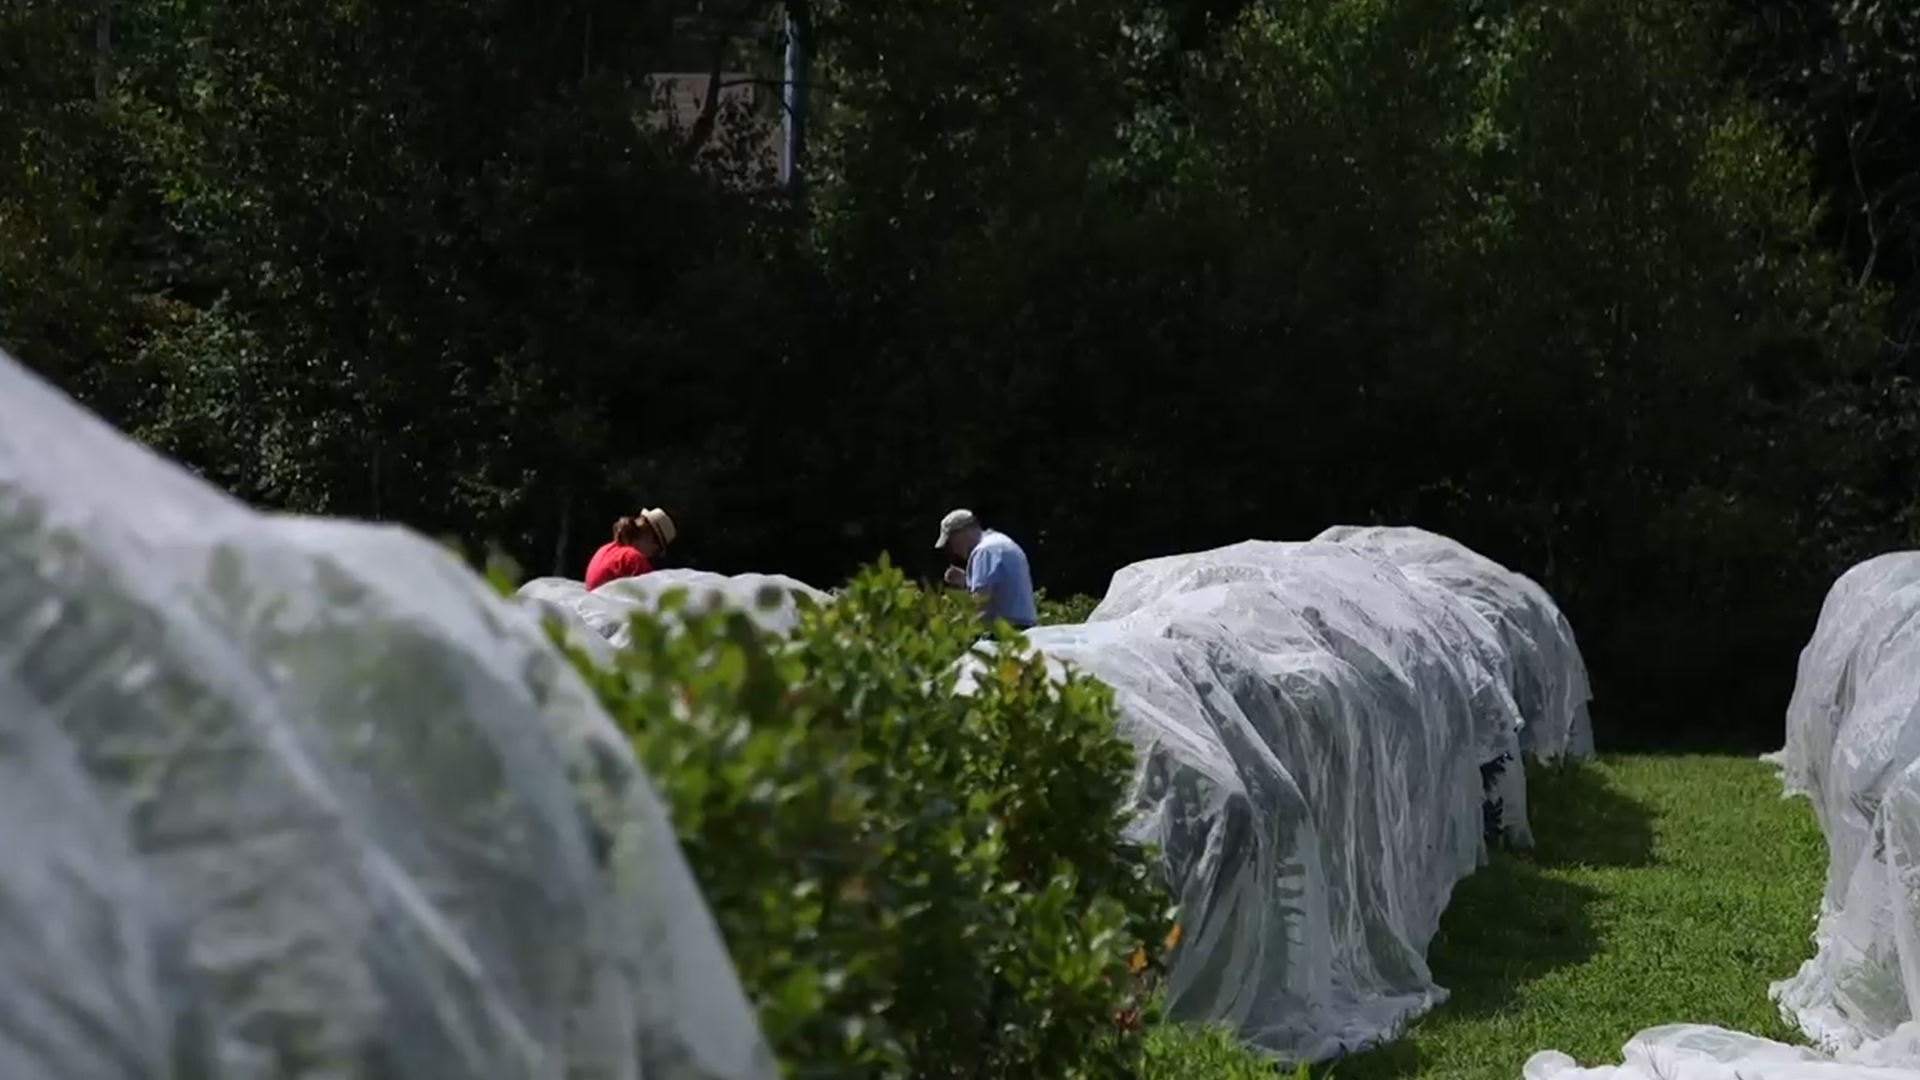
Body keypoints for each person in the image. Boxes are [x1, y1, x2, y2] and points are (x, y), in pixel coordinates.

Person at [935, 508, 1038, 630]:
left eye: (950, 543)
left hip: (1007, 631)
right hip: (1026, 628)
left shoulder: (984, 552)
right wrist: (967, 581)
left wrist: (952, 629)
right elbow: (999, 589)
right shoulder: (1001, 542)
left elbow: (981, 606)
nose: (953, 550)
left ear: (960, 534)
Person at [585, 507, 677, 590]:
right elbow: (652, 594)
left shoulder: (605, 549)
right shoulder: (634, 558)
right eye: (657, 551)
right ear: (651, 539)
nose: (653, 555)